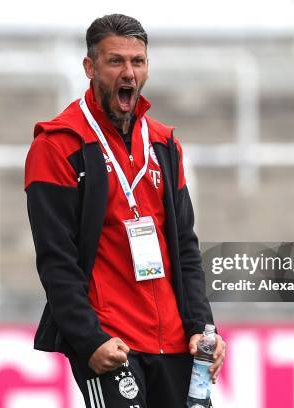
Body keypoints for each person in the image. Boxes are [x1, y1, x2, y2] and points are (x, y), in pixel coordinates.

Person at [25, 14, 225, 407]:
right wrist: (88, 339)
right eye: (116, 61)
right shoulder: (57, 145)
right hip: (112, 344)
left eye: (138, 61)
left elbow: (185, 246)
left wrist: (202, 328)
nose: (128, 72)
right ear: (90, 67)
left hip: (175, 342)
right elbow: (56, 260)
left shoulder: (164, 143)